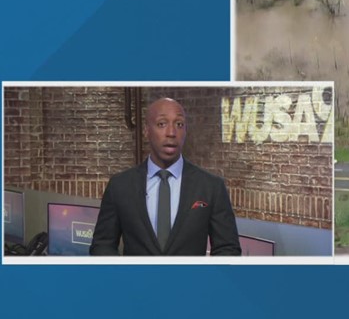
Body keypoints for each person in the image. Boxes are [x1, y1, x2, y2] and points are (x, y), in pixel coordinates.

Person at [90, 98, 241, 256]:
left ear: (186, 131)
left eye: (179, 124)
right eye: (162, 124)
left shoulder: (211, 187)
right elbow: (102, 245)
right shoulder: (120, 186)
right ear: (146, 130)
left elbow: (228, 249)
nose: (171, 133)